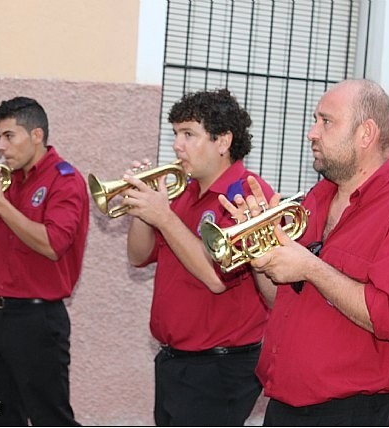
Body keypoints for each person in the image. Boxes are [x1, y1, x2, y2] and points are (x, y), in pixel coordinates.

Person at [220, 79, 389, 426]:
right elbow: (281, 301)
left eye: (326, 121)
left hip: (349, 413)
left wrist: (312, 268)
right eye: (315, 120)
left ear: (366, 134)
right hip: (285, 405)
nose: (312, 132)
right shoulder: (316, 198)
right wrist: (261, 257)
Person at [122, 89, 272, 426]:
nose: (177, 145)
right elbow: (138, 256)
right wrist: (142, 209)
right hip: (177, 362)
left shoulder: (245, 196)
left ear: (223, 141)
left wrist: (164, 217)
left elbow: (216, 278)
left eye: (189, 134)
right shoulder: (186, 194)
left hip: (219, 368)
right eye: (176, 134)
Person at [0, 96, 89, 426]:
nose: (1, 147)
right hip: (0, 315)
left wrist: (2, 207)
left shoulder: (65, 180)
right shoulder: (10, 180)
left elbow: (53, 244)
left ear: (35, 136)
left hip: (39, 319)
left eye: (8, 136)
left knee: (51, 418)